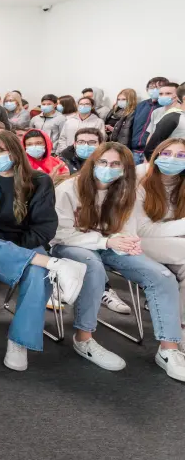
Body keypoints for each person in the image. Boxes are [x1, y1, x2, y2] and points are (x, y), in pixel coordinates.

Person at [51, 142, 185, 379]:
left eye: (115, 164)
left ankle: (168, 350)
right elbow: (61, 234)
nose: (108, 168)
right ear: (93, 162)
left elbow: (128, 228)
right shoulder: (69, 189)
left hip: (110, 245)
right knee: (92, 268)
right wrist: (106, 242)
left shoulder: (126, 191)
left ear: (124, 169)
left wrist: (126, 241)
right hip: (73, 245)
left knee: (161, 276)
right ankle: (84, 339)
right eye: (103, 162)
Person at [0, 131, 86, 372]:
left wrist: (15, 250)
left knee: (37, 276)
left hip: (24, 241)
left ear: (14, 151)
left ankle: (19, 341)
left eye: (0, 151)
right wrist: (3, 247)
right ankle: (56, 265)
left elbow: (44, 227)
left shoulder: (39, 180)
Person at [136, 138, 185, 334]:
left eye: (181, 156)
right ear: (156, 155)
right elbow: (142, 230)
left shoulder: (181, 184)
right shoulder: (140, 178)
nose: (173, 159)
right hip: (137, 241)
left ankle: (179, 328)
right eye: (167, 154)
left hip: (171, 243)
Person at [130, 77, 169, 162]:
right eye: (151, 87)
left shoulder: (166, 107)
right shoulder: (141, 105)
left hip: (153, 152)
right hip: (134, 151)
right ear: (147, 89)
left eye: (158, 87)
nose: (155, 90)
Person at [143, 83, 185, 161]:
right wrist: (149, 161)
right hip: (170, 160)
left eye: (168, 93)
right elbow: (151, 143)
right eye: (161, 94)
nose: (164, 96)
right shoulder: (173, 117)